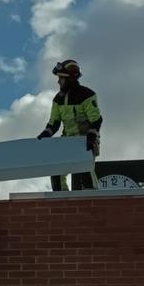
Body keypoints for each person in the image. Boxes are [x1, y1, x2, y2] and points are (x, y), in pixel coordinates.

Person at [36, 59, 102, 191]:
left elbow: (96, 120)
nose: (58, 81)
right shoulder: (58, 99)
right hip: (67, 140)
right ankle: (61, 199)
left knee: (85, 168)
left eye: (61, 78)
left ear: (70, 79)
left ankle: (94, 197)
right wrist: (45, 134)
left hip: (85, 141)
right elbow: (54, 123)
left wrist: (92, 136)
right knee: (56, 168)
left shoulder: (87, 95)